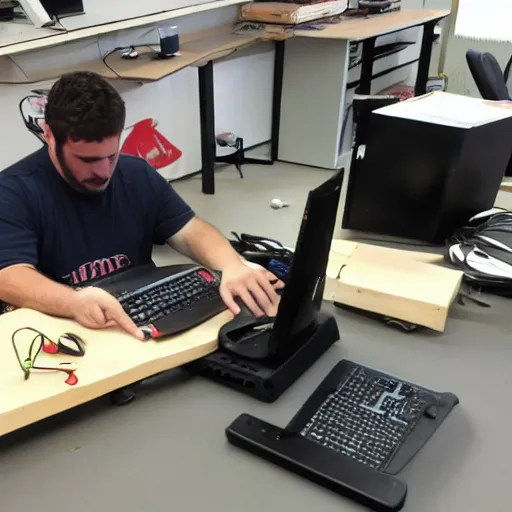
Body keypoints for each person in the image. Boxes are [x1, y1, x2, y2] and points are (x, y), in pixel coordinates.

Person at [0, 71, 283, 341]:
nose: (103, 171)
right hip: (66, 333)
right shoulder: (13, 192)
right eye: (87, 160)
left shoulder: (135, 174)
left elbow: (190, 230)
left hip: (138, 321)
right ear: (48, 134)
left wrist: (232, 266)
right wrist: (72, 301)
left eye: (111, 155)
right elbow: (9, 276)